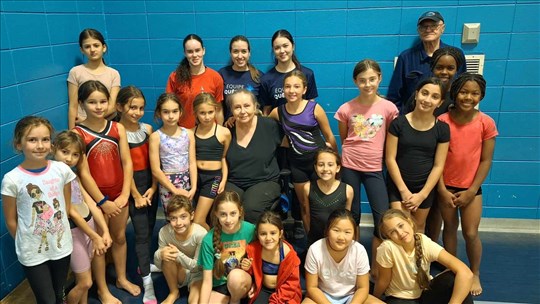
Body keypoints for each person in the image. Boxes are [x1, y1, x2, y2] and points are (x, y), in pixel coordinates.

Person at [1, 116, 86, 303]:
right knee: (46, 300)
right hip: (32, 252)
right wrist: (26, 243)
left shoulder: (61, 170)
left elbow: (64, 207)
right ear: (18, 144)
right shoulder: (12, 179)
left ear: (51, 143)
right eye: (32, 140)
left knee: (58, 294)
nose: (40, 145)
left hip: (61, 246)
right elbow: (11, 220)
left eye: (45, 139)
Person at [73, 80, 139, 303]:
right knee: (100, 242)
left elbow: (127, 163)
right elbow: (83, 173)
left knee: (119, 237)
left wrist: (123, 194)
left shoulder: (117, 127)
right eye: (92, 102)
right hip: (96, 198)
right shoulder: (78, 133)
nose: (99, 106)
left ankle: (121, 278)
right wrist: (102, 202)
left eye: (103, 101)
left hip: (119, 195)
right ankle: (103, 289)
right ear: (82, 103)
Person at [334, 59, 398, 276]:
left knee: (381, 216)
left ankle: (378, 267)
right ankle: (354, 262)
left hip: (374, 168)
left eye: (372, 79)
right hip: (350, 165)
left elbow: (390, 139)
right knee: (352, 215)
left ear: (379, 78)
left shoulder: (389, 108)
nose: (367, 84)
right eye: (362, 80)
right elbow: (345, 139)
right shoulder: (346, 109)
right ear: (355, 81)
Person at [438, 73, 498, 296]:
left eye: (474, 93)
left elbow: (486, 160)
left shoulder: (486, 122)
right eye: (464, 92)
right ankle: (453, 270)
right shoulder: (443, 121)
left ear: (481, 95)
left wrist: (472, 190)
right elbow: (438, 160)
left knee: (471, 233)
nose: (468, 97)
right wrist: (442, 189)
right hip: (446, 187)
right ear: (455, 93)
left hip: (471, 190)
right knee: (450, 229)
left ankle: (474, 272)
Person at [268, 70, 337, 236]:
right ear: (283, 89)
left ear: (304, 89)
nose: (292, 90)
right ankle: (312, 240)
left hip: (319, 164)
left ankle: (329, 239)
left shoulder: (314, 108)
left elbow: (329, 136)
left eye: (296, 86)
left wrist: (336, 162)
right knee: (305, 205)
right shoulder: (278, 112)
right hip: (297, 165)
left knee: (323, 205)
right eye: (288, 87)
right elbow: (261, 124)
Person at [52, 130, 112, 304]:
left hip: (89, 227)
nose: (69, 158)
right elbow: (71, 211)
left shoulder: (74, 176)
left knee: (84, 279)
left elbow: (92, 204)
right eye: (65, 152)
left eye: (75, 154)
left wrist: (105, 231)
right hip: (74, 232)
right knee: (86, 282)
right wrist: (95, 237)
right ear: (54, 149)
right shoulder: (54, 179)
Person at [385, 78, 450, 233]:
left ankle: (417, 258)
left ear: (440, 102)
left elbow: (438, 165)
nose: (427, 100)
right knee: (400, 228)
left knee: (418, 228)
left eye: (434, 97)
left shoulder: (442, 129)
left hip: (424, 187)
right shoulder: (398, 124)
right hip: (399, 185)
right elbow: (390, 159)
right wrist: (403, 191)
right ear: (416, 94)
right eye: (424, 93)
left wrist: (422, 194)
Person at [374, 209, 474, 303]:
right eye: (392, 232)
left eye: (401, 226)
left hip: (424, 294)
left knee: (456, 279)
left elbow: (466, 273)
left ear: (409, 222)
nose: (400, 233)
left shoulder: (424, 241)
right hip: (399, 297)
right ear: (389, 237)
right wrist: (375, 298)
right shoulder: (387, 247)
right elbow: (384, 280)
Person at [116, 85, 159, 303]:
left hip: (150, 186)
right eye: (132, 107)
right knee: (141, 235)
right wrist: (135, 194)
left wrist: (153, 187)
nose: (137, 112)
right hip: (132, 187)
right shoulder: (116, 132)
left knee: (150, 228)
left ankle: (145, 265)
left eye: (141, 108)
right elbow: (125, 167)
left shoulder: (148, 130)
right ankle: (147, 282)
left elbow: (154, 162)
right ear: (120, 107)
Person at [387, 11, 466, 112]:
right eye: (424, 26)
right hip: (414, 120)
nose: (428, 29)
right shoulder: (406, 57)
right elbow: (394, 96)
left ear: (443, 28)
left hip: (446, 118)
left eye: (434, 26)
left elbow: (462, 89)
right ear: (418, 30)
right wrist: (403, 120)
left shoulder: (456, 55)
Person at [225, 89, 282, 223]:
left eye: (247, 106)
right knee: (227, 209)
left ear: (255, 106)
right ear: (231, 111)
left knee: (250, 210)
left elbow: (291, 140)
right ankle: (229, 243)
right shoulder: (227, 130)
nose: (243, 111)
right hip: (234, 182)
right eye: (237, 107)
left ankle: (252, 244)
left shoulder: (270, 126)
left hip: (265, 181)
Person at [303, 209, 380, 304]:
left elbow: (363, 288)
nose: (341, 237)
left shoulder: (359, 250)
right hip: (323, 296)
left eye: (347, 232)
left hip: (352, 296)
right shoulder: (315, 249)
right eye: (336, 230)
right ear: (327, 230)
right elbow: (312, 287)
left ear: (354, 234)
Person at [198, 191, 255, 304]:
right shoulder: (208, 240)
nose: (228, 220)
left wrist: (256, 284)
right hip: (220, 285)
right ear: (216, 214)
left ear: (240, 212)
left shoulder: (251, 230)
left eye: (233, 213)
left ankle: (235, 300)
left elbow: (261, 261)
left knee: (235, 276)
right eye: (223, 214)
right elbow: (207, 281)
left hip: (241, 281)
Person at [149, 93, 197, 216]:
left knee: (186, 217)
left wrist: (194, 187)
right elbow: (155, 169)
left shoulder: (188, 134)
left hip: (187, 181)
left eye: (174, 111)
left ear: (180, 112)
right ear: (159, 113)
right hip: (167, 183)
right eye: (166, 112)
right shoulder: (156, 137)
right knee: (173, 218)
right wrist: (174, 190)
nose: (171, 116)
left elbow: (192, 163)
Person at [154, 195, 207, 304]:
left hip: (198, 274)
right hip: (179, 272)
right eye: (173, 218)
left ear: (191, 215)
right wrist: (160, 255)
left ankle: (192, 289)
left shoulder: (200, 234)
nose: (178, 223)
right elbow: (160, 265)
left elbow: (197, 267)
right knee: (167, 255)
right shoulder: (164, 232)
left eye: (183, 217)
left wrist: (178, 255)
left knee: (195, 301)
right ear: (169, 218)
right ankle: (174, 292)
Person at [241, 211, 302, 304]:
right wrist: (247, 268)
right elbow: (253, 274)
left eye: (273, 233)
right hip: (263, 290)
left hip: (285, 292)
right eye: (263, 234)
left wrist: (275, 301)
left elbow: (292, 283)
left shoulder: (288, 254)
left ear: (280, 233)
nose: (268, 238)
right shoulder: (253, 250)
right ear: (257, 235)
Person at [166, 34, 224, 128]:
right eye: (190, 52)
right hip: (185, 132)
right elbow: (169, 108)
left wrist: (219, 131)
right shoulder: (175, 77)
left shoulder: (215, 77)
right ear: (185, 53)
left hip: (209, 134)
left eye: (197, 50)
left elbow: (219, 110)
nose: (194, 55)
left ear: (203, 50)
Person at [68, 28, 120, 129]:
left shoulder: (113, 73)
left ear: (104, 47)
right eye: (87, 46)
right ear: (82, 50)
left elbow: (112, 107)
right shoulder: (75, 72)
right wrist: (71, 134)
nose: (92, 50)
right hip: (83, 126)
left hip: (107, 124)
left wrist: (90, 121)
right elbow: (73, 106)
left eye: (96, 45)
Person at [193, 93, 231, 230]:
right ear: (196, 113)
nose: (207, 117)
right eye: (202, 113)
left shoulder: (224, 132)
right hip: (195, 177)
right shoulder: (191, 132)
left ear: (216, 110)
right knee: (197, 219)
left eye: (210, 112)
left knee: (198, 220)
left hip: (213, 179)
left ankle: (212, 245)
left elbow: (224, 158)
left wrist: (223, 180)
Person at [302, 147, 353, 245]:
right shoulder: (308, 188)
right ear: (316, 167)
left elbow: (347, 220)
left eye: (330, 165)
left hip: (338, 241)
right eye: (321, 165)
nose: (325, 169)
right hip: (315, 240)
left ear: (337, 168)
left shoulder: (348, 190)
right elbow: (307, 215)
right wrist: (310, 236)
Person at [260, 29, 318, 115]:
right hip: (276, 127)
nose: (282, 51)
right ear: (273, 50)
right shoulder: (266, 79)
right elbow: (266, 111)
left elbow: (311, 108)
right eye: (277, 48)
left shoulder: (307, 74)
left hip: (301, 127)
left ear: (293, 46)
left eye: (285, 46)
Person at [402, 46, 466, 116]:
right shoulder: (421, 94)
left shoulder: (458, 98)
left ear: (456, 70)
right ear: (432, 68)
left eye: (450, 68)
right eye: (439, 68)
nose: (444, 72)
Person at [219, 35, 263, 123]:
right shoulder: (222, 75)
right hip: (229, 128)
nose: (240, 56)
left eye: (244, 51)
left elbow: (262, 110)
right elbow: (219, 108)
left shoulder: (259, 76)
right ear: (230, 53)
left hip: (252, 128)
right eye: (235, 51)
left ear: (249, 53)